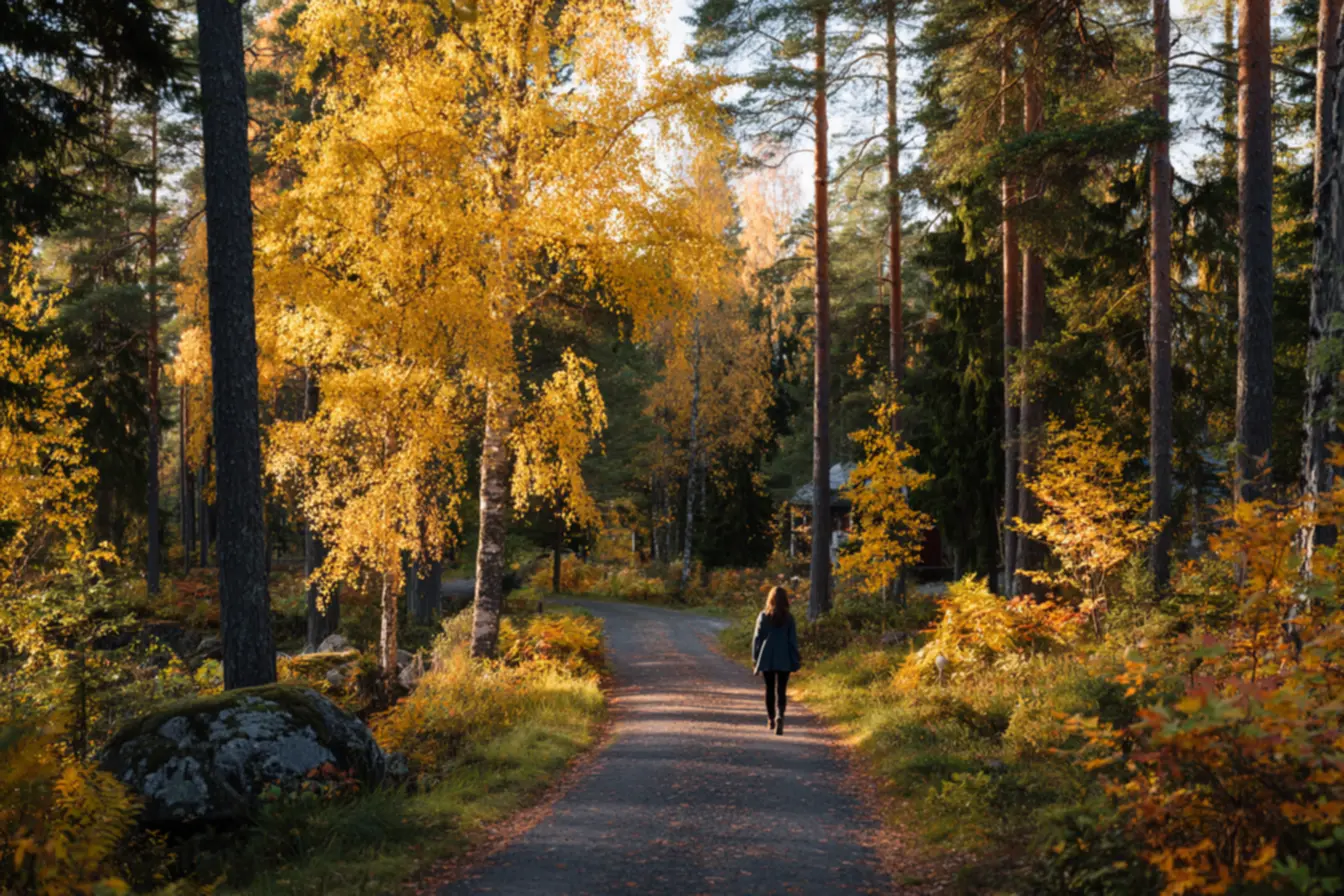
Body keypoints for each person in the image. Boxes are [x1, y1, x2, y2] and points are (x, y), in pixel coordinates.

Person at [752, 585, 801, 735]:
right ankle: (780, 715)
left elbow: (757, 639)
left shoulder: (763, 616)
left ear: (770, 599)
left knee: (769, 689)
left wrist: (755, 658)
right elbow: (792, 641)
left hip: (767, 657)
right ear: (785, 600)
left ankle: (771, 719)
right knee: (781, 690)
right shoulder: (789, 618)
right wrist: (795, 658)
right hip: (784, 657)